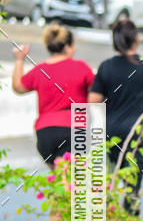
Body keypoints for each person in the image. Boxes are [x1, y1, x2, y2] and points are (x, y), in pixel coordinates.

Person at [88, 20, 143, 215]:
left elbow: (94, 99)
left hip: (112, 134)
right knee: (132, 189)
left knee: (109, 184)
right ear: (136, 39)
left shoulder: (106, 67)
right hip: (139, 135)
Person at [11, 25, 95, 166]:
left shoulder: (40, 70)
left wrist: (19, 59)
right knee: (70, 183)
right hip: (74, 130)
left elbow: (18, 87)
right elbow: (98, 90)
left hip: (45, 133)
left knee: (59, 181)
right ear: (67, 47)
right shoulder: (81, 67)